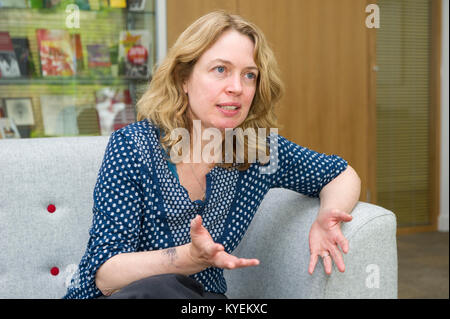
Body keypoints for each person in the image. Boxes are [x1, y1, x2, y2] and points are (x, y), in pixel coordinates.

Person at [63, 10, 361, 299]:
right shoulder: (134, 147)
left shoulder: (256, 150)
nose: (237, 88)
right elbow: (106, 275)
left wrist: (326, 218)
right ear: (184, 78)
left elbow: (340, 173)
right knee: (160, 289)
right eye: (221, 70)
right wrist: (188, 257)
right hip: (124, 295)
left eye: (249, 76)